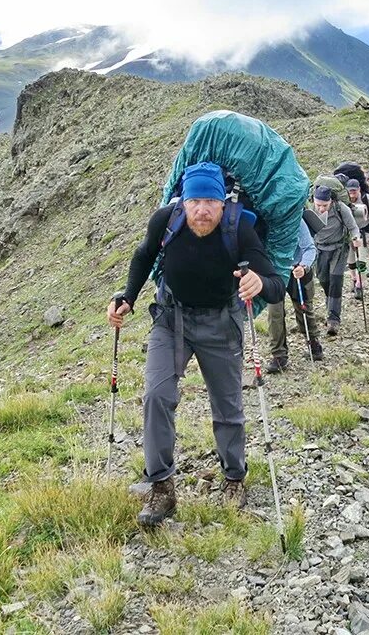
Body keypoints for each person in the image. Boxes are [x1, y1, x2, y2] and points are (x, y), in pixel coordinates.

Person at [107, 162, 285, 526]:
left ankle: (234, 478)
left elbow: (275, 282)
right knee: (157, 395)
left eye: (210, 201)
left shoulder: (241, 227)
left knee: (228, 405)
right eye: (194, 201)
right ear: (182, 202)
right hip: (171, 320)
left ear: (223, 203)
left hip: (221, 324)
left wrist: (259, 284)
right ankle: (161, 488)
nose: (202, 210)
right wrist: (127, 296)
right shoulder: (165, 220)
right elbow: (143, 256)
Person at [265, 219, 323, 372]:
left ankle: (313, 343)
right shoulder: (265, 221)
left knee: (303, 308)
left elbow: (310, 248)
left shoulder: (297, 220)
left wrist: (304, 266)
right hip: (275, 272)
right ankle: (279, 356)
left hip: (297, 270)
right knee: (274, 312)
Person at [312, 185, 361, 336]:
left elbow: (353, 227)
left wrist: (356, 238)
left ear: (331, 202)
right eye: (318, 205)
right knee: (324, 280)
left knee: (335, 281)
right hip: (319, 249)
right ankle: (331, 305)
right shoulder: (308, 210)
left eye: (324, 205)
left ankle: (333, 319)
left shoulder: (341, 209)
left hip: (339, 249)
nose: (321, 209)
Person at [346, 178, 369, 286]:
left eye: (354, 191)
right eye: (350, 192)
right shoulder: (344, 200)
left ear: (359, 189)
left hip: (364, 232)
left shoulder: (367, 199)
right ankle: (354, 279)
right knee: (351, 260)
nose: (352, 195)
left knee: (361, 260)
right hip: (349, 233)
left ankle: (360, 285)